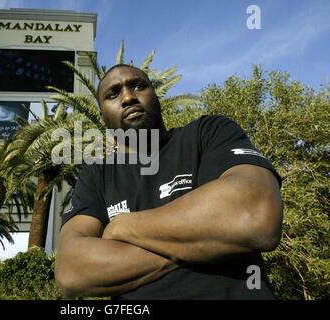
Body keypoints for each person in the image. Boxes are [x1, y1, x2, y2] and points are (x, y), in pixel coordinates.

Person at [54, 64, 283, 299]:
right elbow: (71, 270)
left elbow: (254, 213)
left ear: (156, 96)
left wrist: (121, 227)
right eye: (113, 94)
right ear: (102, 117)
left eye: (138, 86)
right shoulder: (96, 175)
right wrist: (204, 243)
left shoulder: (208, 133)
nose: (128, 97)